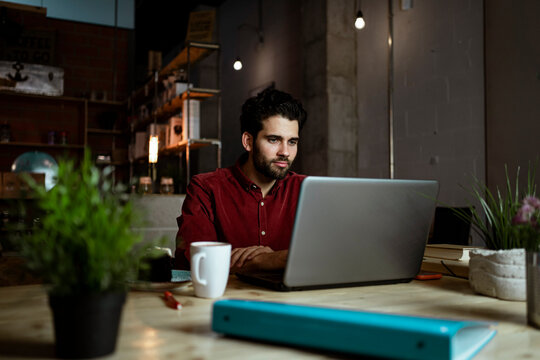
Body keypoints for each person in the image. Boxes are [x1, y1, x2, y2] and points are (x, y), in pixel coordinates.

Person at [174, 88, 307, 272]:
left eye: (292, 142)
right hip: (225, 299)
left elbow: (329, 255)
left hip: (297, 300)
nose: (285, 152)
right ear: (248, 141)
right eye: (274, 140)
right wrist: (265, 261)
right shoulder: (206, 188)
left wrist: (270, 259)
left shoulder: (306, 189)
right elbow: (197, 260)